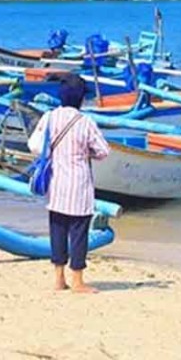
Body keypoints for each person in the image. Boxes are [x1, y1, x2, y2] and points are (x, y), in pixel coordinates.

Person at [28, 73, 110, 293]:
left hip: (56, 184)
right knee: (79, 232)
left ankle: (58, 279)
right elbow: (103, 151)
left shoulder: (49, 117)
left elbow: (34, 145)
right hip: (80, 185)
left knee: (57, 230)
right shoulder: (86, 122)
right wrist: (86, 153)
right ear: (81, 98)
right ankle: (78, 281)